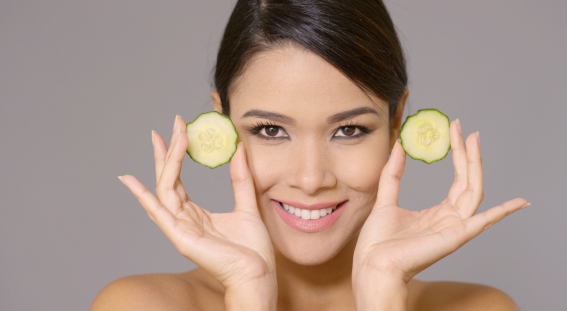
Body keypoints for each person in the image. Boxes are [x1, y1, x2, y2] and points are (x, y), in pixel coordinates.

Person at [90, 0, 528, 310]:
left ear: (397, 124)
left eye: (349, 130)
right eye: (270, 130)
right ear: (221, 123)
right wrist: (249, 295)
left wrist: (381, 299)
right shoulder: (137, 306)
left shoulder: (482, 309)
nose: (311, 178)